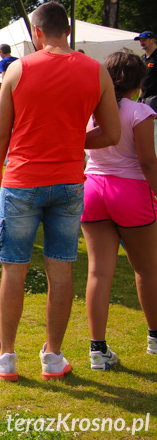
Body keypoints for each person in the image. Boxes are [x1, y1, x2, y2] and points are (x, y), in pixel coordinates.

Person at [0, 0, 120, 382]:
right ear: (69, 31)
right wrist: (74, 139)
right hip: (68, 182)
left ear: (36, 33)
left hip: (22, 181)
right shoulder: (96, 72)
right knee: (61, 269)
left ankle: (6, 355)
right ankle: (53, 357)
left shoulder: (17, 69)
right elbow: (111, 133)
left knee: (14, 269)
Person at [81, 49, 157, 369]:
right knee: (147, 270)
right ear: (138, 81)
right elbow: (147, 161)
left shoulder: (90, 109)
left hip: (93, 190)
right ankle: (155, 337)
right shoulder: (140, 111)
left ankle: (97, 349)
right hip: (131, 192)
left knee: (98, 271)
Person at [136, 31, 157, 108]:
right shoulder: (143, 58)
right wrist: (139, 98)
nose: (141, 42)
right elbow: (143, 79)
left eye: (144, 40)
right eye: (140, 40)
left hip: (154, 98)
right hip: (145, 98)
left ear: (152, 40)